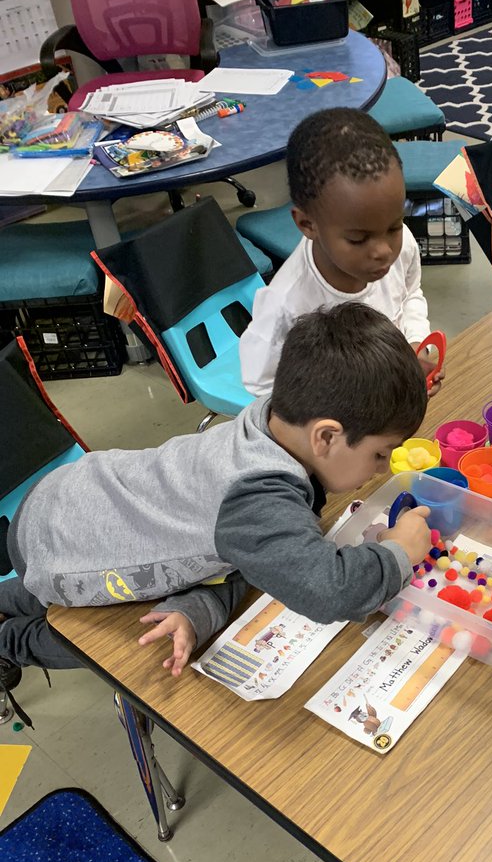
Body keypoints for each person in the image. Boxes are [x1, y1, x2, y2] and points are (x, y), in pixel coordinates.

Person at [0, 303, 432, 691]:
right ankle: (9, 644)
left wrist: (198, 607)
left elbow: (244, 556)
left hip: (77, 498)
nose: (383, 468)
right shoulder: (258, 497)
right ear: (325, 437)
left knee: (36, 594)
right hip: (59, 545)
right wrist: (397, 553)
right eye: (379, 454)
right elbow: (328, 590)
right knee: (105, 646)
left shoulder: (272, 421)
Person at [239, 107, 442, 398]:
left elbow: (410, 295)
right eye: (359, 239)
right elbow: (261, 385)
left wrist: (413, 346)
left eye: (394, 226)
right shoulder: (286, 306)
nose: (384, 251)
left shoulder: (403, 245)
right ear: (308, 224)